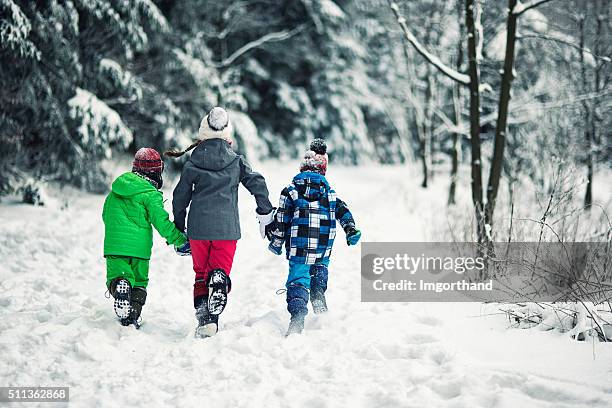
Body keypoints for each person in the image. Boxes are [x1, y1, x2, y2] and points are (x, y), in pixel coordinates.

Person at [169, 107, 275, 338]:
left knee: (200, 274)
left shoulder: (192, 164)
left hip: (198, 229)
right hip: (226, 229)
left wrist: (179, 226)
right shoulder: (236, 162)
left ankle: (206, 318)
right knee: (219, 271)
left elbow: (180, 198)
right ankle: (218, 283)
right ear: (227, 134)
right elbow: (258, 184)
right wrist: (265, 212)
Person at [267, 139, 361, 336]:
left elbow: (282, 220)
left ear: (301, 169)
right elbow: (343, 211)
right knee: (320, 268)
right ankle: (318, 294)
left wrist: (276, 243)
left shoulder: (290, 191)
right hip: (322, 246)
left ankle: (297, 318)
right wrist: (350, 229)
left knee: (299, 280)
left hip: (299, 248)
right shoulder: (330, 193)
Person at [102, 148, 191, 328]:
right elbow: (161, 222)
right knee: (139, 283)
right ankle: (132, 317)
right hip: (140, 250)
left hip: (114, 246)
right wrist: (180, 240)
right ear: (156, 172)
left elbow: (105, 215)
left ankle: (121, 284)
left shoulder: (115, 191)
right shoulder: (150, 194)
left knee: (118, 276)